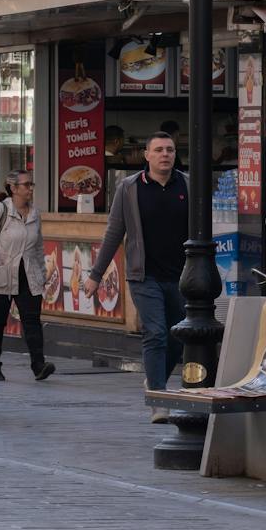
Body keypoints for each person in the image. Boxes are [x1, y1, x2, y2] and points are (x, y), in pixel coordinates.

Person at [84, 133, 189, 421]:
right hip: (144, 276)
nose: (165, 154)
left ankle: (156, 380)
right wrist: (95, 275)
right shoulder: (129, 188)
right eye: (158, 150)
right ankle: (158, 398)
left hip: (181, 276)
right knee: (155, 332)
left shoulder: (187, 185)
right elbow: (114, 233)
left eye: (169, 149)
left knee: (179, 336)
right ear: (146, 155)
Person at [0, 168, 54, 383]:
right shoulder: (0, 210)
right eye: (26, 185)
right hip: (0, 274)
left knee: (32, 321)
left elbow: (38, 246)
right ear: (13, 188)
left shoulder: (35, 214)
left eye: (31, 184)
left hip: (28, 276)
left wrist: (42, 272)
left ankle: (38, 365)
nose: (30, 189)